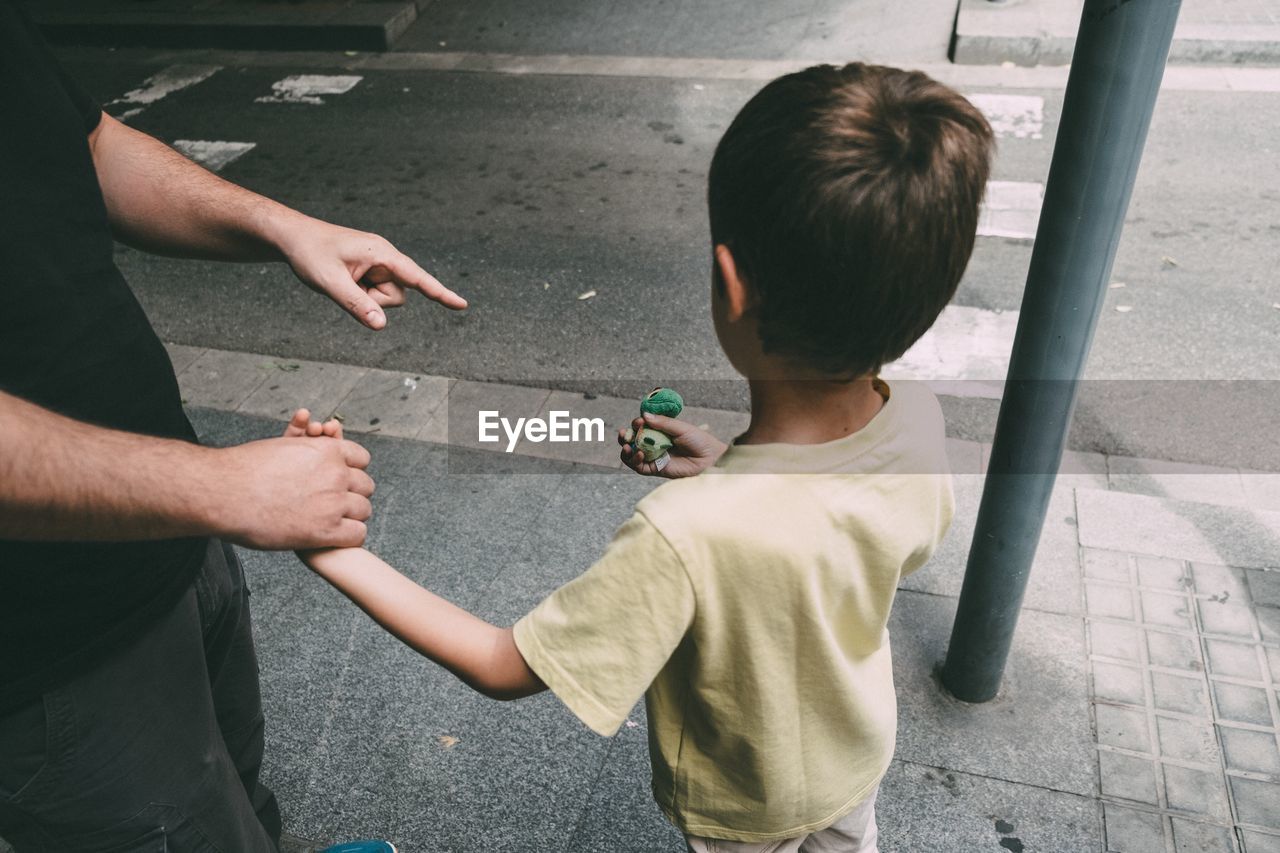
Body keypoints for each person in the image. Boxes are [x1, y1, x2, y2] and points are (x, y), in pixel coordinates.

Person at [292, 62, 993, 851]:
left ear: (730, 285)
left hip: (747, 810)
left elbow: (502, 662)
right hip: (854, 761)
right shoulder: (920, 424)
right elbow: (850, 533)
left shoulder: (684, 534)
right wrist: (736, 470)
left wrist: (327, 544)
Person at [0, 3, 464, 851]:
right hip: (52, 640)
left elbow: (83, 141)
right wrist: (227, 486)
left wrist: (284, 226)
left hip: (178, 529)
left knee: (238, 794)